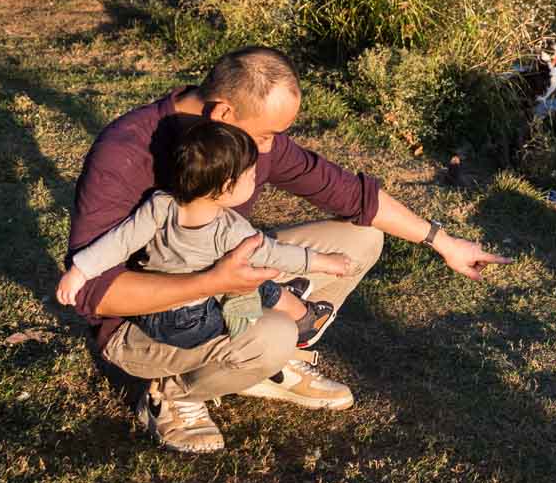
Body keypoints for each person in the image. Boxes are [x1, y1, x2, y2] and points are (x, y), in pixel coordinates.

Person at [65, 46, 510, 454]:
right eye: (266, 135)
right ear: (223, 113)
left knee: (362, 238)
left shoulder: (245, 136)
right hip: (147, 325)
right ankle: (174, 391)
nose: (271, 147)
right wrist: (213, 281)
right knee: (275, 331)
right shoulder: (125, 153)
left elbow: (352, 196)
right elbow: (96, 296)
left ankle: (267, 366)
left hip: (226, 278)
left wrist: (443, 242)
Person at [58, 118, 349, 352]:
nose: (256, 179)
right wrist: (324, 261)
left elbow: (120, 241)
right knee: (256, 280)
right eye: (250, 175)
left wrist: (80, 270)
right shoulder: (230, 230)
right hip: (194, 324)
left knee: (237, 275)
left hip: (150, 313)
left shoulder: (160, 205)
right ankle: (303, 318)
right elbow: (275, 253)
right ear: (226, 187)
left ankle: (271, 299)